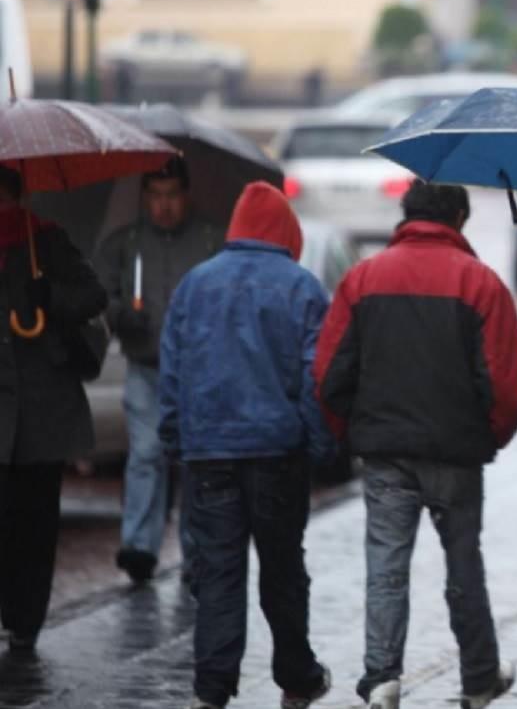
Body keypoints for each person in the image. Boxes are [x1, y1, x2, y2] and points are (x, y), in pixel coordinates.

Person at [314, 181, 517, 709]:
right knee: (463, 567)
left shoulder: (363, 279)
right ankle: (478, 679)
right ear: (458, 218)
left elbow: (329, 375)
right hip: (456, 452)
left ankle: (382, 676)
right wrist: (490, 436)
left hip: (385, 451)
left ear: (405, 216)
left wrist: (351, 433)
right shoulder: (480, 283)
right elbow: (504, 383)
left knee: (386, 565)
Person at [158, 182, 333, 709]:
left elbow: (173, 371)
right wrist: (318, 442)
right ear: (285, 234)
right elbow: (315, 377)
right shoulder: (302, 288)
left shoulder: (194, 285)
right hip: (277, 453)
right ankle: (297, 678)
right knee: (283, 570)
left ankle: (211, 689)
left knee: (217, 573)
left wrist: (174, 438)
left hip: (208, 453)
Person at [94, 156, 218, 583]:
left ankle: (195, 549)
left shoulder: (209, 241)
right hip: (145, 367)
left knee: (192, 462)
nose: (163, 206)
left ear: (185, 195)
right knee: (146, 455)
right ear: (144, 197)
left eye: (171, 196)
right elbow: (99, 294)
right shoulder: (126, 243)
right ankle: (140, 546)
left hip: (197, 373)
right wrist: (119, 315)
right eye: (155, 196)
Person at [0, 165, 107, 654]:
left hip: (43, 408)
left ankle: (26, 620)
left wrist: (55, 299)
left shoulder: (45, 241)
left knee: (36, 519)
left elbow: (93, 294)